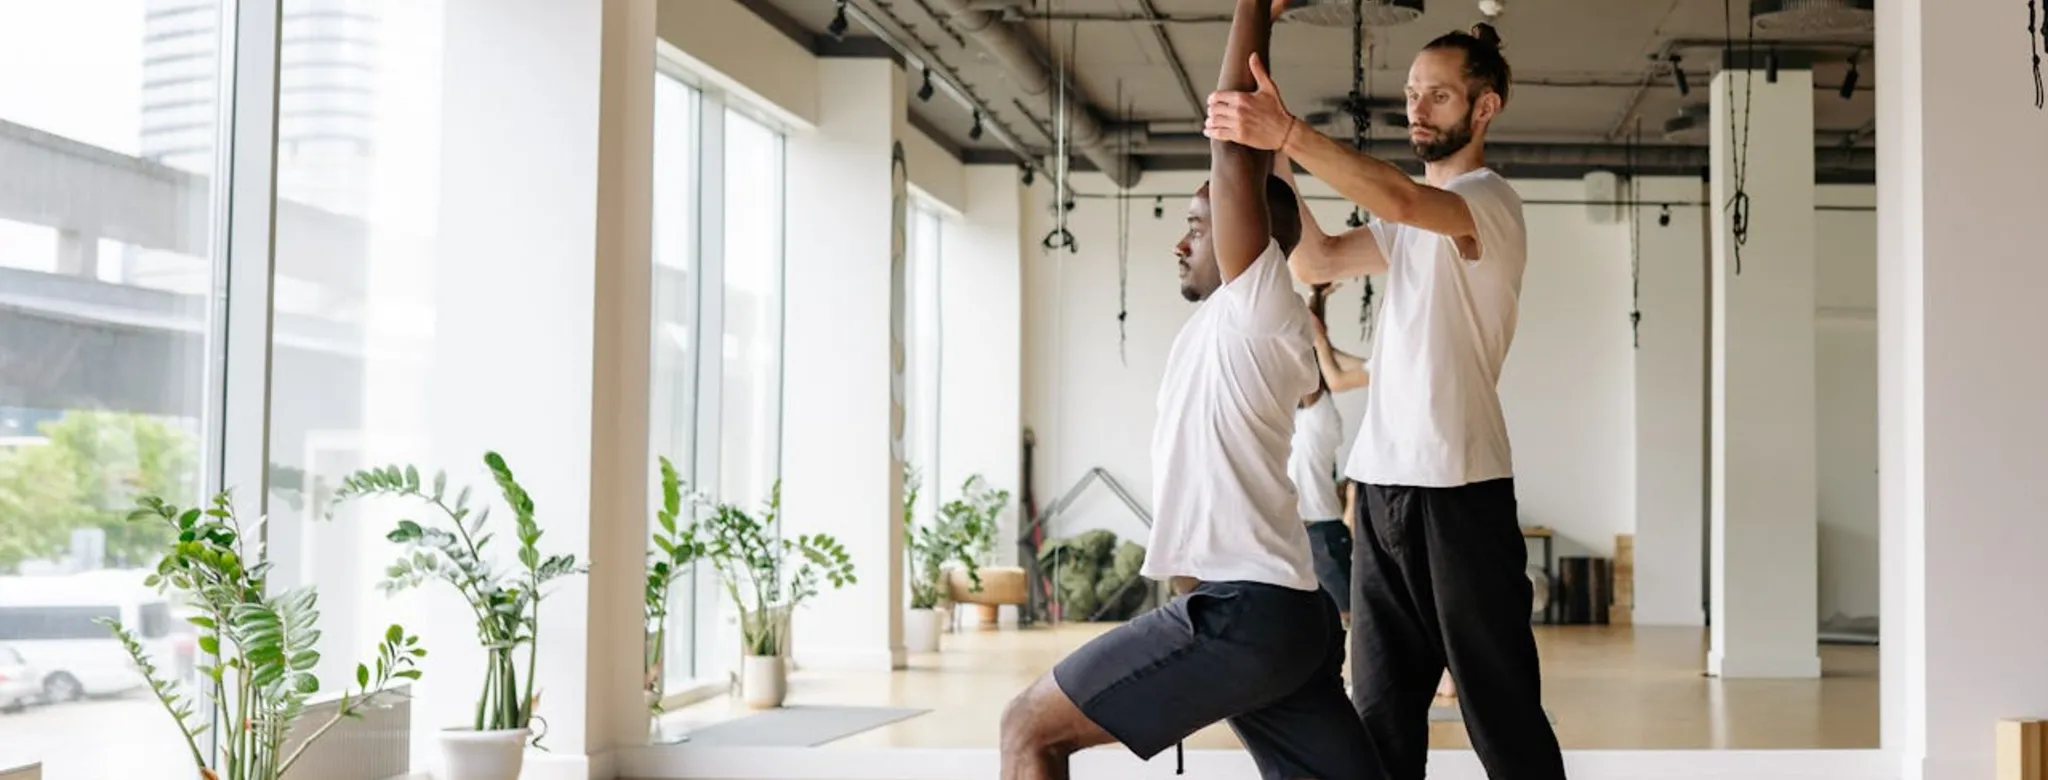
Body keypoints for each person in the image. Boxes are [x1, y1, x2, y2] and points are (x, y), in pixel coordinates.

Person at [998, 2, 1382, 779]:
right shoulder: (1231, 323)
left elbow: (1232, 155)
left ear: (1253, 238)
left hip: (1242, 613)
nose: (1184, 238)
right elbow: (1253, 168)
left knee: (1027, 728)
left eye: (1200, 225)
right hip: (1280, 616)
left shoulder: (1259, 301)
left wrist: (1252, 8)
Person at [1205, 21, 1567, 780]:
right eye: (1411, 94)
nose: (1418, 108)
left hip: (1460, 490)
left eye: (1438, 94)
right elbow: (1319, 257)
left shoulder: (1487, 204)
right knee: (1379, 707)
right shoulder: (1408, 222)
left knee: (1497, 706)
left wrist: (1294, 132)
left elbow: (1403, 200)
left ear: (1486, 106)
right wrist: (1279, 162)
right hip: (1381, 490)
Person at [1290, 282, 1364, 619]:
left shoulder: (1321, 419)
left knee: (1347, 613)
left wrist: (1314, 304)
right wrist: (1316, 297)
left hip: (1322, 531)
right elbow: (1321, 351)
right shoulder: (1298, 419)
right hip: (1295, 528)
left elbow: (1313, 360)